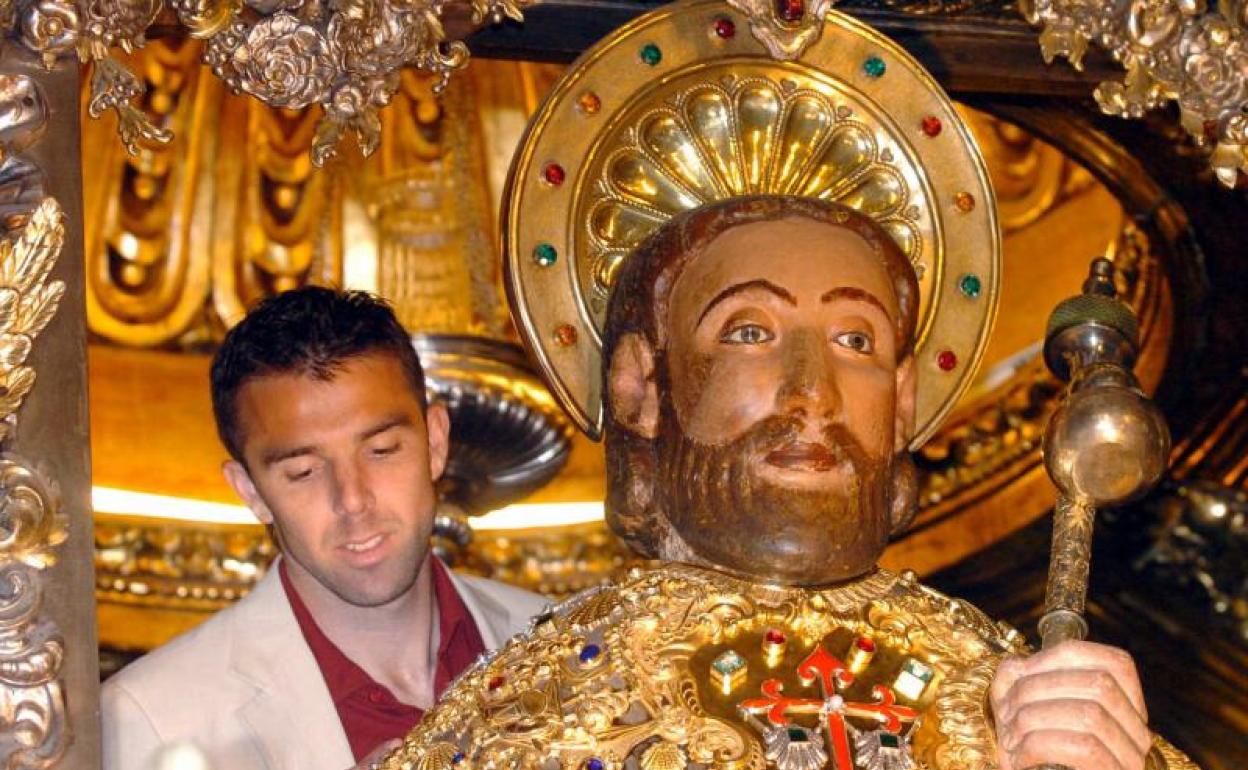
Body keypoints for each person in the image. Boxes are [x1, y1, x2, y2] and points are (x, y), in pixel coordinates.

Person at [387, 197, 1195, 770]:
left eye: (855, 339)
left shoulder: (1015, 693)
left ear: (904, 398)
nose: (813, 391)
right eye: (749, 332)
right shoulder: (529, 709)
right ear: (641, 384)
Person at [100, 287, 548, 770]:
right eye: (303, 472)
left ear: (435, 441)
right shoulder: (152, 719)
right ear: (251, 491)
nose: (353, 500)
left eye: (381, 451)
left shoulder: (569, 642)